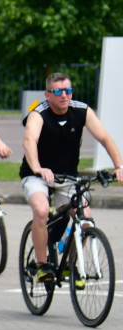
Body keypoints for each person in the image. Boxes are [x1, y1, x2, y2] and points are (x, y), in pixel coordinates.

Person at [20, 72, 123, 282]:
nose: (64, 95)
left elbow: (105, 138)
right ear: (48, 95)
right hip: (38, 174)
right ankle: (42, 266)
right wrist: (38, 167)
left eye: (68, 90)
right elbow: (29, 140)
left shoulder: (82, 111)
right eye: (58, 92)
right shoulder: (38, 114)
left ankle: (69, 264)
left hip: (68, 177)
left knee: (86, 221)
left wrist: (119, 166)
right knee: (41, 211)